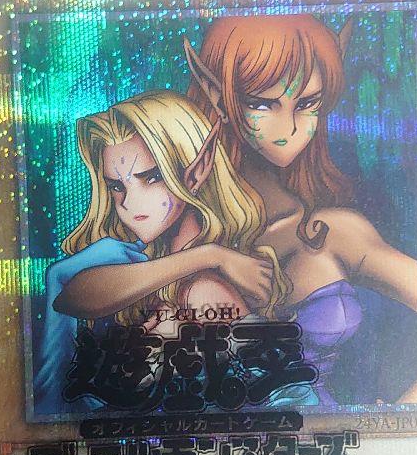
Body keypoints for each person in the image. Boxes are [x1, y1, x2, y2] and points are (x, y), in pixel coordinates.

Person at [185, 14, 417, 406]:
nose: (291, 127)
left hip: (323, 439)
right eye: (263, 104)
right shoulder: (180, 230)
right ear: (218, 96)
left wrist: (408, 414)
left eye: (307, 103)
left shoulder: (333, 230)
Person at [32, 90, 286, 417]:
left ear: (198, 169)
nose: (129, 203)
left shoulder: (204, 291)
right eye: (117, 186)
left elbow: (271, 396)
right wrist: (210, 254)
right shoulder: (135, 259)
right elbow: (70, 297)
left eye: (151, 178)